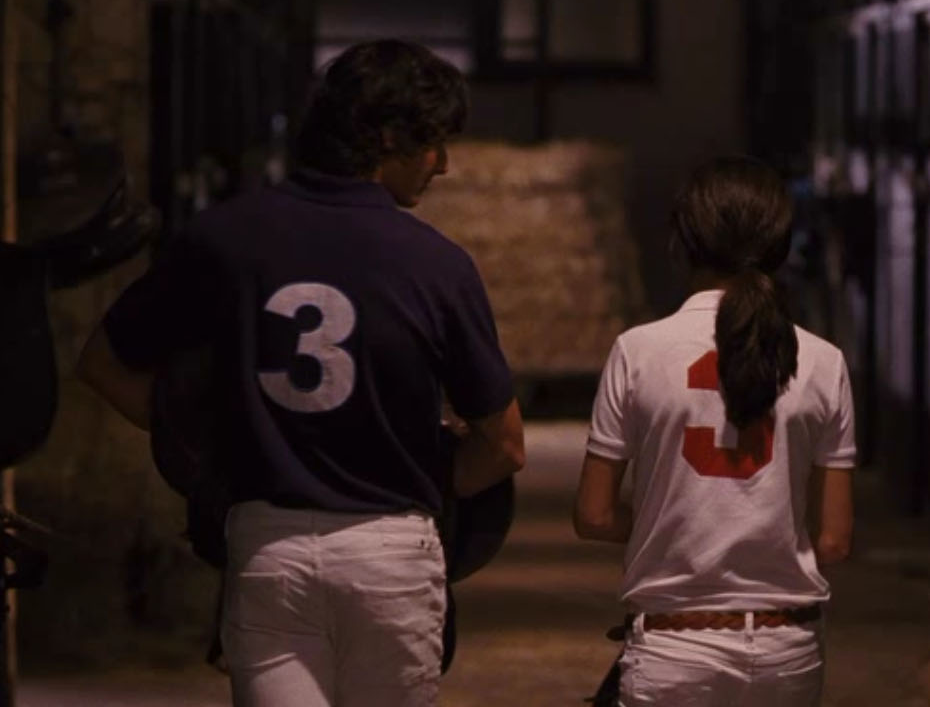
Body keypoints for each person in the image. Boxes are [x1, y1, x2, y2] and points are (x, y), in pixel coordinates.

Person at [77, 39, 525, 707]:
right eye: (434, 142)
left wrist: (210, 447)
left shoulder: (222, 237)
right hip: (390, 551)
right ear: (388, 136)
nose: (444, 164)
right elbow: (505, 445)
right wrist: (428, 480)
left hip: (269, 546)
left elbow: (103, 365)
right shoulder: (438, 265)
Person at [573, 156, 855, 707]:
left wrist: (678, 520)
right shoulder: (824, 362)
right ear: (780, 246)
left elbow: (595, 514)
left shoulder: (637, 351)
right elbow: (833, 540)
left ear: (682, 244)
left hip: (674, 646)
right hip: (787, 648)